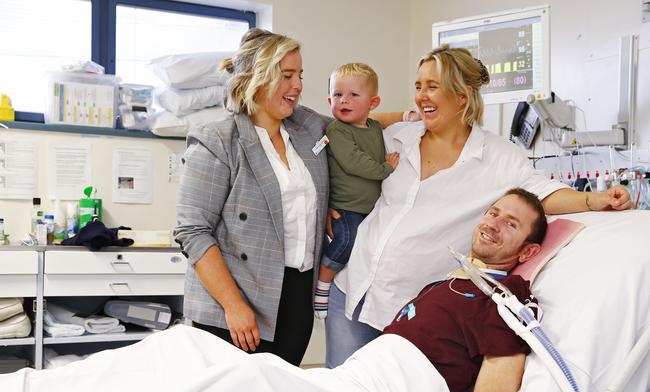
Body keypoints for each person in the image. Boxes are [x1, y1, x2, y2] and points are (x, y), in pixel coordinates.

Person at [325, 44, 631, 368]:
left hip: (409, 309)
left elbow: (542, 192)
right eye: (418, 86)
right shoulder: (398, 137)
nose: (421, 96)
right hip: (351, 290)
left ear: (462, 96)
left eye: (432, 87)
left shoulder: (497, 157)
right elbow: (354, 129)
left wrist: (592, 199)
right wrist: (333, 205)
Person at [174, 28, 330, 366]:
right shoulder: (218, 140)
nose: (299, 85)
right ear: (258, 79)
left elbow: (359, 126)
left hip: (295, 296)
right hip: (234, 303)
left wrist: (412, 120)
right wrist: (233, 304)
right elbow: (193, 231)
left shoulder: (307, 128)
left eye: (299, 75)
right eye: (287, 75)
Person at [368, 188, 546, 392]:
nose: (493, 224)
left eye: (510, 224)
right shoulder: (445, 284)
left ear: (528, 252)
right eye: (493, 213)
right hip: (361, 376)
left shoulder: (505, 296)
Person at [314, 63, 399, 319]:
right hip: (346, 206)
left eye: (353, 95)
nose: (344, 100)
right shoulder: (336, 130)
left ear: (373, 103)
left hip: (370, 207)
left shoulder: (373, 127)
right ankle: (322, 284)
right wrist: (385, 169)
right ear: (329, 99)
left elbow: (386, 122)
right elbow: (353, 162)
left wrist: (409, 116)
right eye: (338, 95)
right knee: (346, 242)